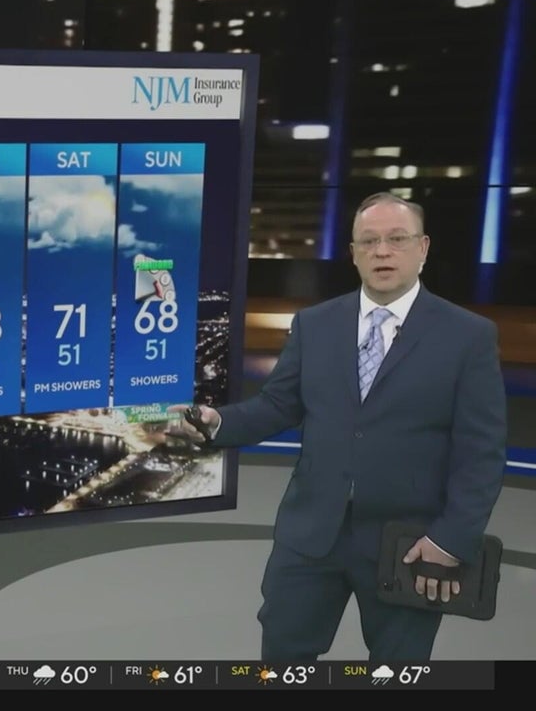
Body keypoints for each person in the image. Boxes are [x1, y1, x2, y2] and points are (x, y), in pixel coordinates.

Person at [171, 192, 507, 662]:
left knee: (397, 671)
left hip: (409, 543)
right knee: (283, 660)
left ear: (423, 247)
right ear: (352, 253)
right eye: (369, 241)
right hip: (310, 535)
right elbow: (277, 405)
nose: (382, 251)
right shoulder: (315, 324)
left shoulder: (467, 336)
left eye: (397, 239)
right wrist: (218, 422)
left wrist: (451, 538)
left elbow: (482, 451)